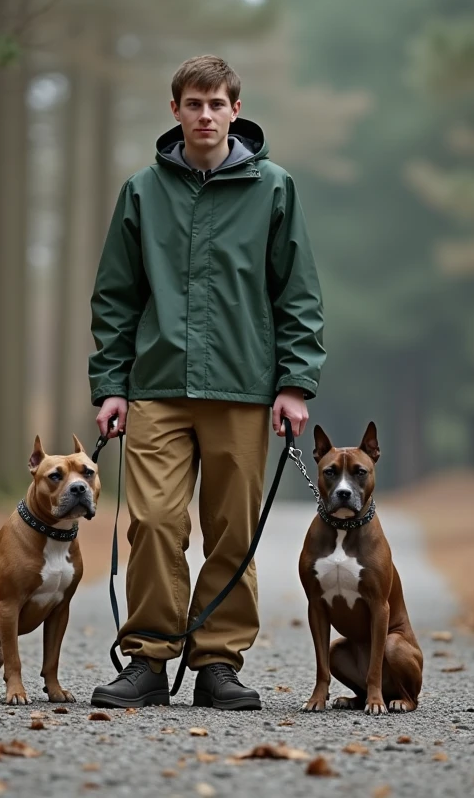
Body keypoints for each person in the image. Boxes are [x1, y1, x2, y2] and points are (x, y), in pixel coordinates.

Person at [86, 55, 326, 710]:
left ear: (235, 110)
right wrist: (110, 384)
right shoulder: (141, 191)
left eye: (217, 103)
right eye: (194, 103)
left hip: (244, 389)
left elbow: (297, 295)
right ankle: (148, 660)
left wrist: (295, 384)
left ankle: (219, 662)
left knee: (232, 530)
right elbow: (115, 297)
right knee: (156, 522)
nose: (206, 115)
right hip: (156, 387)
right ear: (176, 111)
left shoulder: (275, 188)